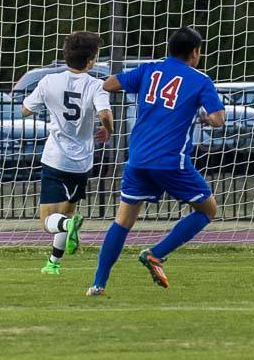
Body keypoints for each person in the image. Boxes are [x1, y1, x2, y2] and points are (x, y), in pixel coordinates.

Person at [86, 26, 225, 296]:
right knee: (208, 210)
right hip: (170, 161)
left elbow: (109, 84)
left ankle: (98, 284)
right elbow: (218, 119)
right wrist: (206, 118)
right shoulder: (200, 79)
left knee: (123, 221)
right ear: (195, 53)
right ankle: (156, 254)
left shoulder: (149, 69)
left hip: (137, 158)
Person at [21, 31, 113, 275]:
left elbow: (25, 110)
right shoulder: (96, 85)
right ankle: (53, 263)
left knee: (49, 221)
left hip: (55, 159)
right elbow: (105, 114)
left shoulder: (49, 82)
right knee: (68, 209)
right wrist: (107, 130)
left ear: (65, 55)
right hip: (82, 162)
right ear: (92, 59)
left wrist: (46, 104)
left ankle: (68, 226)